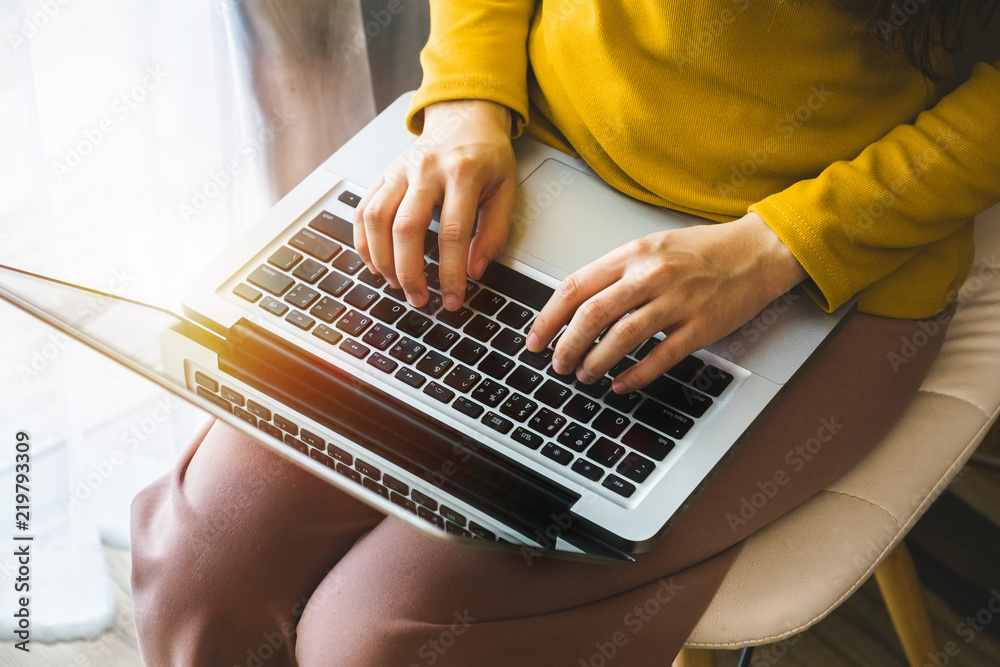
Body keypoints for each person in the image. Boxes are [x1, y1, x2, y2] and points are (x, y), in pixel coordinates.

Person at [131, 1, 1000, 664]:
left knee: (382, 637)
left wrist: (773, 250)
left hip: (819, 262)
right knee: (201, 569)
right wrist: (467, 102)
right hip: (531, 160)